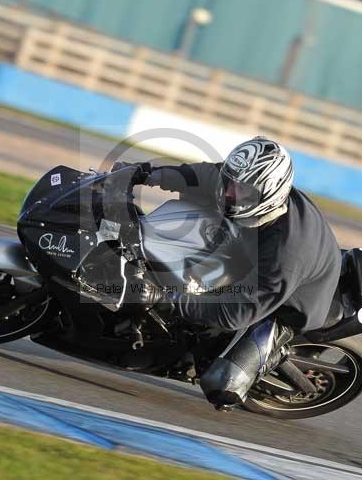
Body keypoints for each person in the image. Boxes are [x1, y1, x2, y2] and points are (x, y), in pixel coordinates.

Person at [118, 137, 342, 409]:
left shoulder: (287, 254)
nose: (229, 194)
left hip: (291, 302)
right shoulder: (242, 185)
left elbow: (236, 313)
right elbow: (203, 176)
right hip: (249, 248)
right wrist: (147, 174)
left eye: (241, 192)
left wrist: (171, 297)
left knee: (222, 384)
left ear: (268, 194)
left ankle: (269, 353)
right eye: (229, 184)